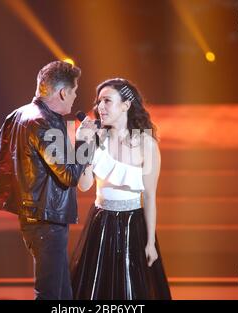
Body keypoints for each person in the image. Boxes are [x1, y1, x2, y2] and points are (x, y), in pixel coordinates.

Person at [0, 61, 97, 300]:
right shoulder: (45, 122)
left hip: (36, 219)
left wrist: (26, 195)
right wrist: (85, 140)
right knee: (50, 295)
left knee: (62, 294)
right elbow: (70, 175)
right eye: (74, 91)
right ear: (63, 92)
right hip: (48, 221)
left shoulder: (17, 115)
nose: (75, 97)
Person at [70, 78, 171, 299]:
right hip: (101, 222)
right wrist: (83, 145)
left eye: (107, 101)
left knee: (132, 289)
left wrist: (150, 242)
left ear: (126, 105)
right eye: (98, 102)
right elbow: (84, 185)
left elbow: (150, 196)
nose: (100, 107)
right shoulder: (97, 139)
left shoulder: (147, 144)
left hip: (133, 224)